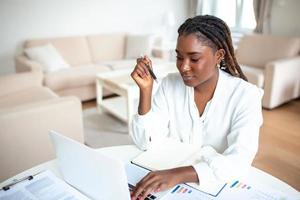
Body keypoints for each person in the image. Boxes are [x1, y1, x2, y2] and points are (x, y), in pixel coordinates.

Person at [130, 15, 263, 200]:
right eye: (179, 57)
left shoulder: (246, 95)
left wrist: (177, 175)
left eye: (194, 58)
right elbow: (146, 142)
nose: (183, 67)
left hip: (217, 188)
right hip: (169, 186)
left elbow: (240, 161)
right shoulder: (169, 84)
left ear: (219, 56)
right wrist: (146, 91)